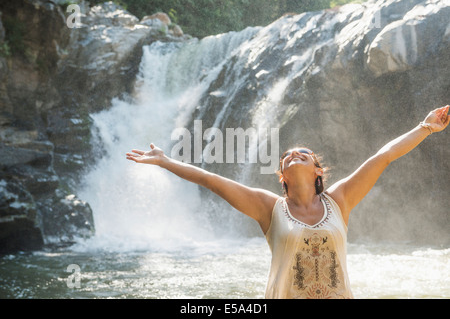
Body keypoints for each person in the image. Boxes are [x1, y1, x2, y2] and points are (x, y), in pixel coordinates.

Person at [126, 105, 449, 299]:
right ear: (281, 174)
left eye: (304, 153)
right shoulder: (268, 207)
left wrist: (425, 127)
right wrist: (166, 161)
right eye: (287, 156)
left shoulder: (340, 200)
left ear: (317, 170)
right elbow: (211, 180)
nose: (294, 154)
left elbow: (384, 157)